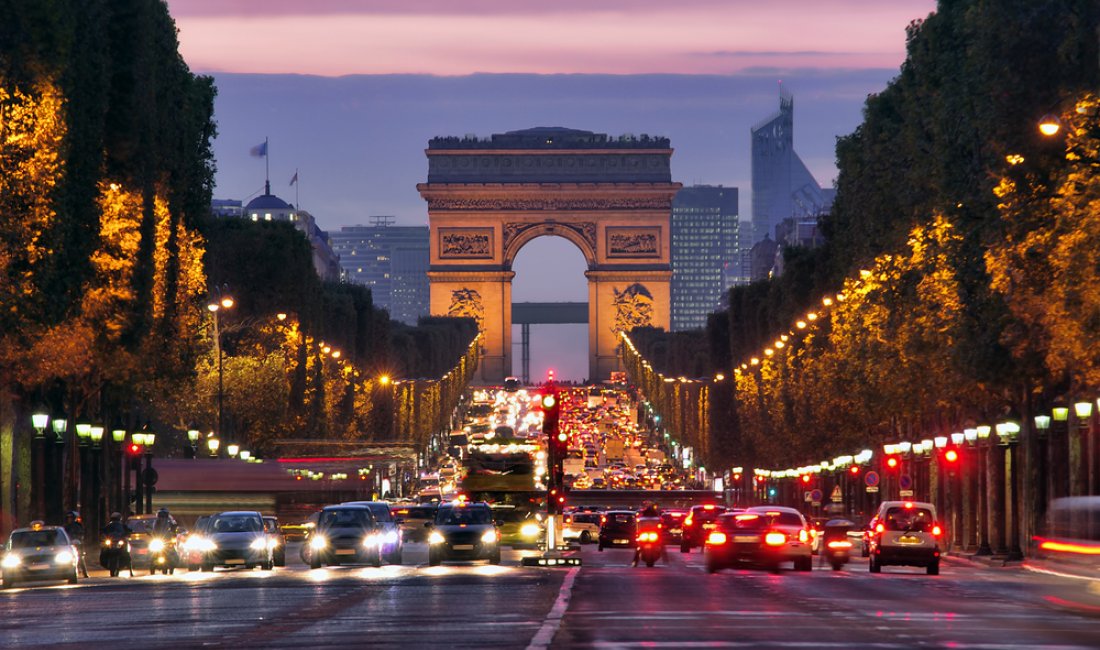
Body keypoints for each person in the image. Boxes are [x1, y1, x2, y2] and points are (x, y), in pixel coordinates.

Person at [63, 511, 89, 578]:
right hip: (69, 545)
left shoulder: (78, 526)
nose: (70, 519)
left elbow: (82, 534)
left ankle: (85, 573)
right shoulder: (66, 527)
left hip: (78, 543)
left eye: (71, 518)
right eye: (68, 518)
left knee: (80, 558)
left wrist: (78, 539)